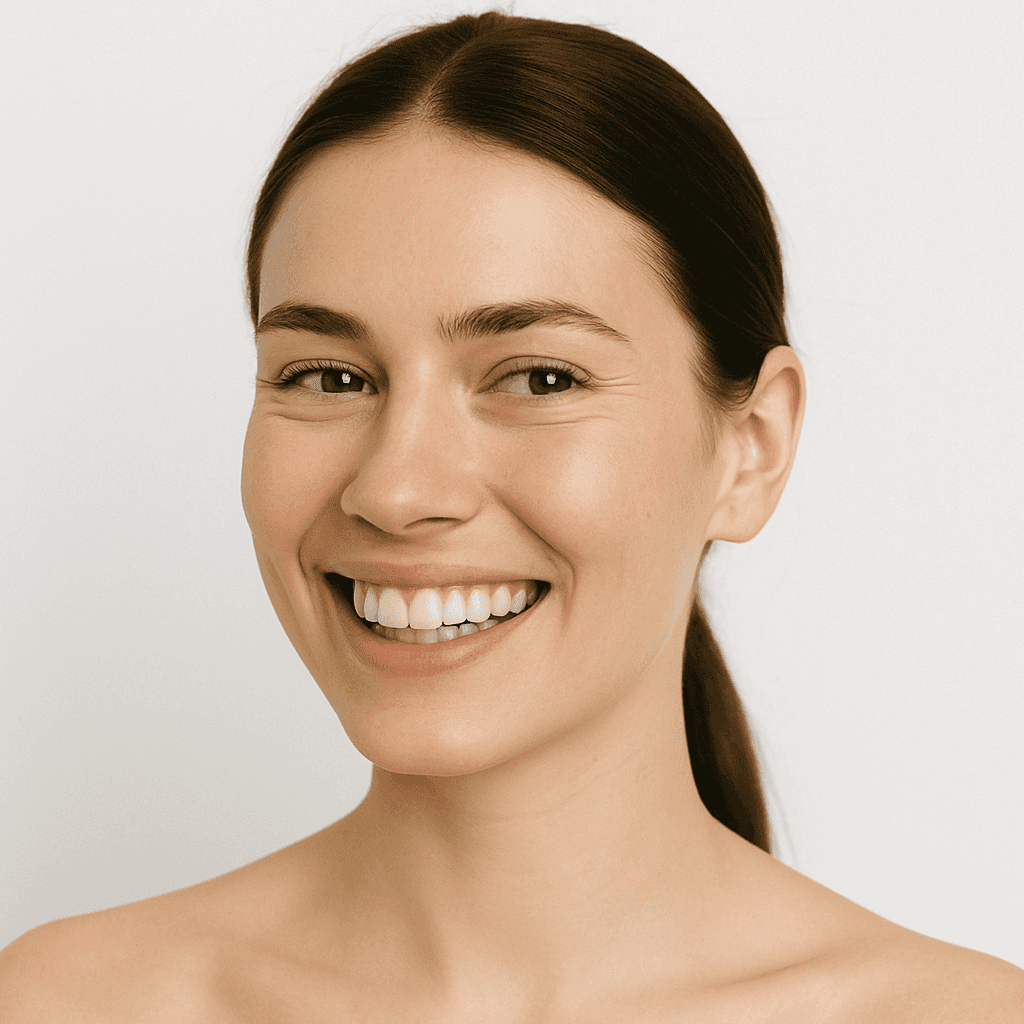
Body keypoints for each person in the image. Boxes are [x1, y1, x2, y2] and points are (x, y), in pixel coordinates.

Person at [1, 10, 1021, 1020]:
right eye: (327, 375)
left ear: (751, 447)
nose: (396, 491)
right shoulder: (66, 1003)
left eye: (537, 376)